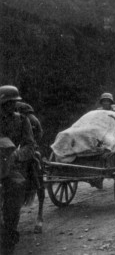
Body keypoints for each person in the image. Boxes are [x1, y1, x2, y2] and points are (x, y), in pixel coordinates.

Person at [0, 85, 35, 255]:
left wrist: (17, 155)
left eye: (13, 102)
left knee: (17, 185)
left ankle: (9, 236)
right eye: (7, 103)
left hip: (10, 165)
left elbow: (30, 145)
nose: (10, 106)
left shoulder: (22, 120)